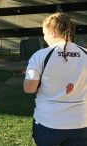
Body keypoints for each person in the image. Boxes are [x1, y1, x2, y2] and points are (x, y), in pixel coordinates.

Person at [23, 12, 87, 146]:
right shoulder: (85, 53)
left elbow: (29, 89)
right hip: (81, 122)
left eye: (44, 33)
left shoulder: (40, 55)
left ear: (53, 32)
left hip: (49, 123)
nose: (44, 37)